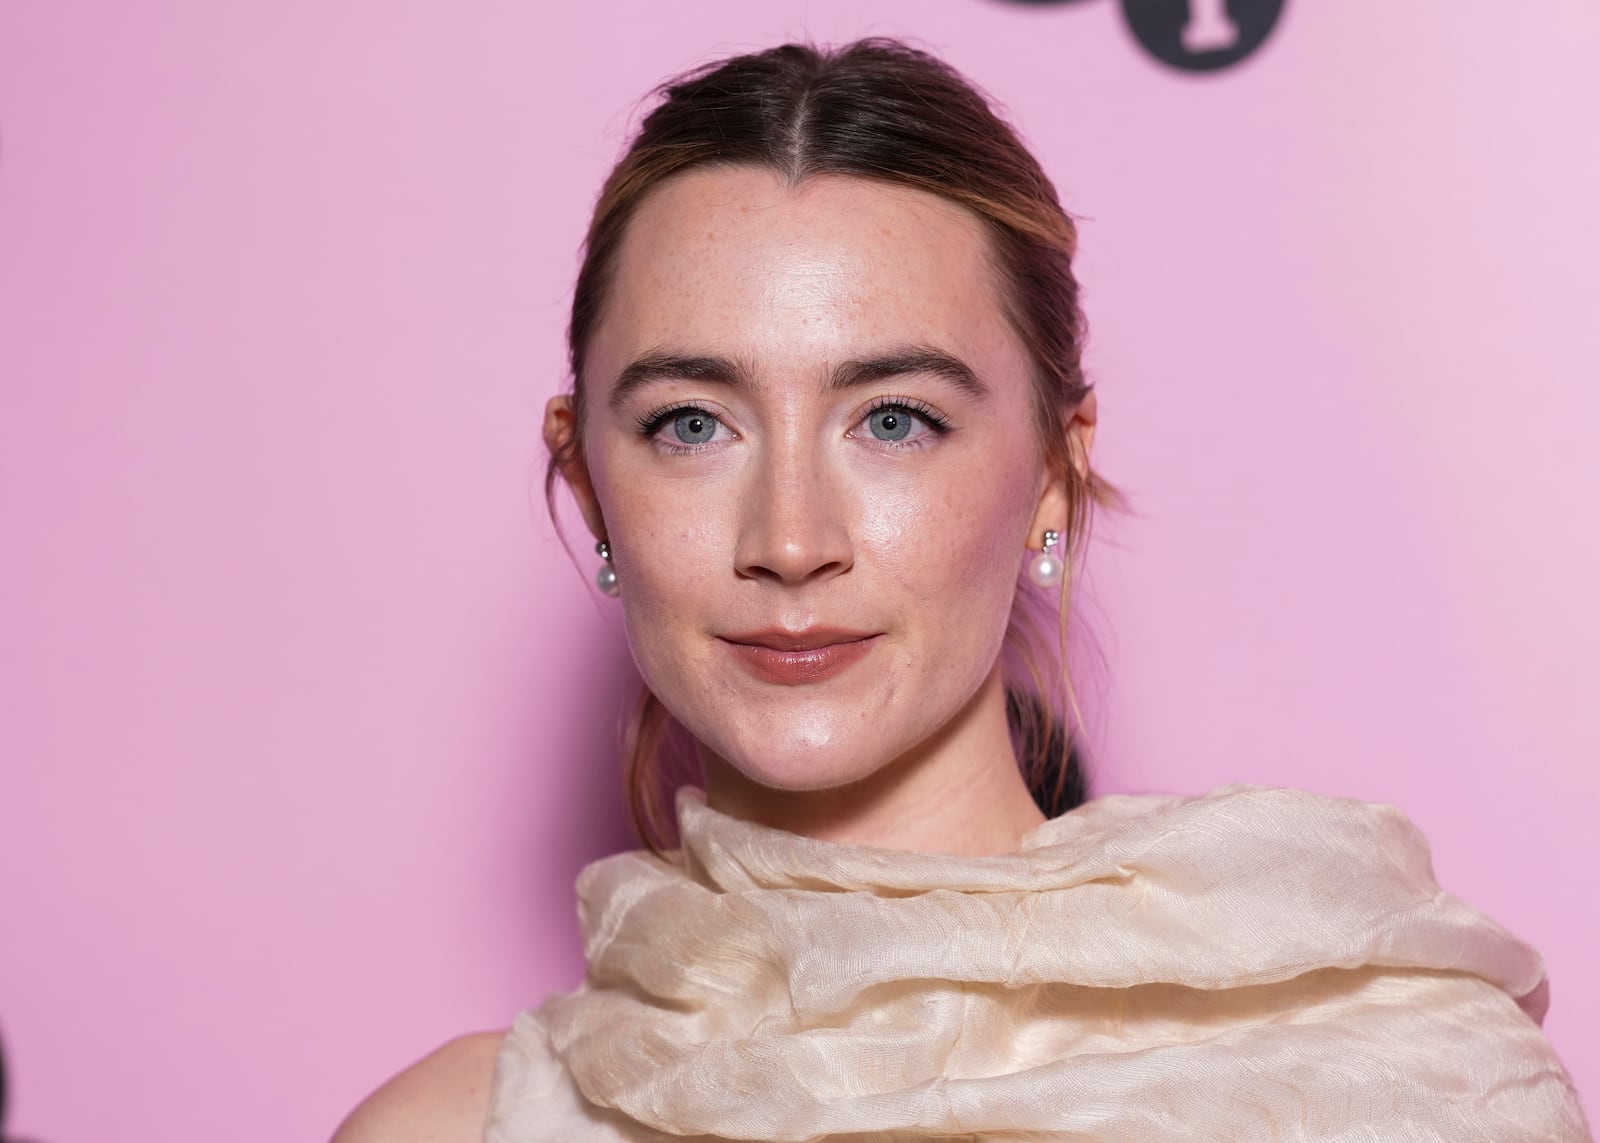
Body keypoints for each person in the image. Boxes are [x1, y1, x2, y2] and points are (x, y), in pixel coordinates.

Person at [333, 38, 1591, 1142]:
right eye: (690, 425)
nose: (790, 538)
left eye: (892, 419)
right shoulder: (456, 1129)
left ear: (1052, 470)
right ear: (589, 483)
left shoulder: (1380, 1080)